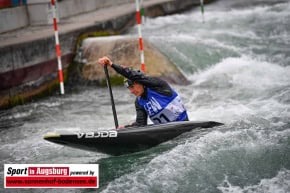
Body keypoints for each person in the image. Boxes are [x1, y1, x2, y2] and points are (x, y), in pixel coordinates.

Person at [98, 56, 189, 128]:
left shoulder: (158, 86)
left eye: (132, 87)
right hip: (166, 133)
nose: (131, 91)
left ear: (141, 83)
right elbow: (140, 124)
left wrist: (111, 64)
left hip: (183, 127)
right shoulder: (139, 102)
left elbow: (133, 75)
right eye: (129, 88)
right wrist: (125, 128)